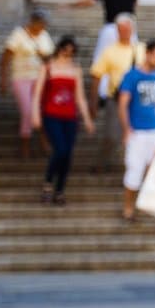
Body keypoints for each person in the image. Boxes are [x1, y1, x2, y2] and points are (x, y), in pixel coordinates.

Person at [32, 37, 93, 206]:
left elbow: (79, 96)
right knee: (60, 149)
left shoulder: (75, 69)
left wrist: (87, 118)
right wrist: (35, 114)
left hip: (70, 116)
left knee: (67, 154)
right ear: (59, 49)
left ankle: (60, 189)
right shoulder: (48, 66)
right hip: (52, 114)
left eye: (71, 52)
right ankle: (48, 183)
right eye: (65, 51)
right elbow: (38, 92)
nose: (68, 54)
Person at [118, 40, 155, 222]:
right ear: (147, 53)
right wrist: (126, 129)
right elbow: (123, 104)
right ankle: (128, 208)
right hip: (137, 131)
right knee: (134, 170)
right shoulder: (132, 76)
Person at [90, 15, 143, 172]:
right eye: (121, 30)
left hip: (137, 100)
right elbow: (97, 75)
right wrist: (92, 101)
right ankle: (102, 162)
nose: (124, 32)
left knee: (137, 136)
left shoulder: (141, 49)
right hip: (116, 99)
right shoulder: (110, 51)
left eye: (127, 29)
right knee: (112, 135)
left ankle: (131, 167)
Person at [0, 9, 55, 158]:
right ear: (33, 22)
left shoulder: (44, 36)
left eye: (44, 25)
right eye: (41, 24)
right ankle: (25, 142)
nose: (42, 27)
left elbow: (49, 59)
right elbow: (5, 57)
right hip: (21, 77)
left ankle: (43, 140)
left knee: (41, 110)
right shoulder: (19, 34)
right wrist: (3, 79)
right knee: (27, 110)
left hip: (40, 78)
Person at [71, 0, 138, 64]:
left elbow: (90, 1)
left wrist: (72, 5)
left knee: (102, 57)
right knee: (130, 59)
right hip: (129, 28)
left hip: (111, 28)